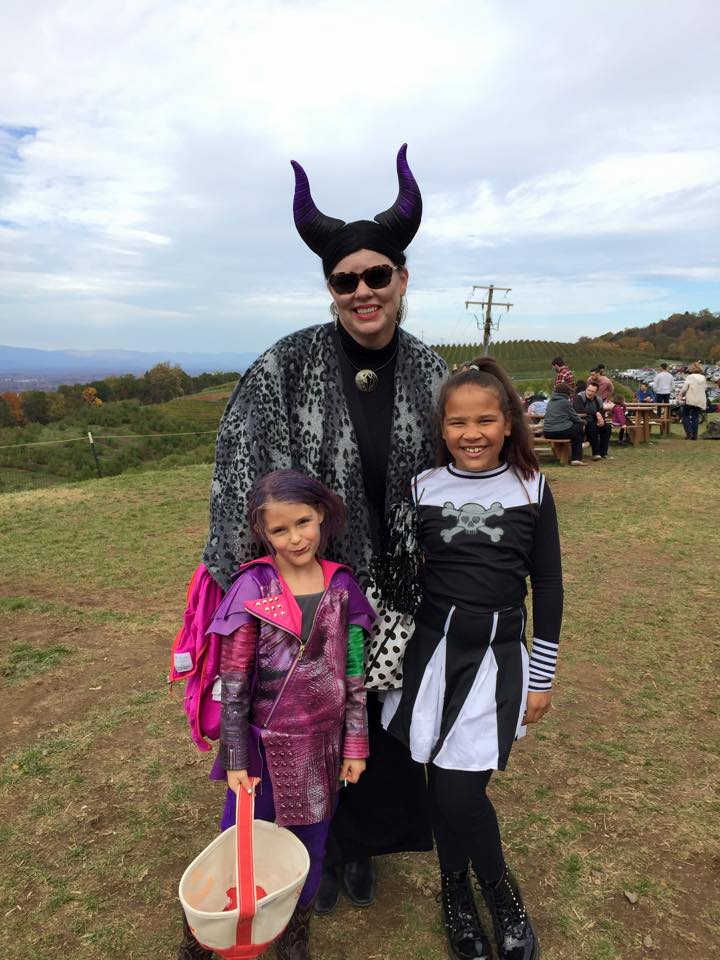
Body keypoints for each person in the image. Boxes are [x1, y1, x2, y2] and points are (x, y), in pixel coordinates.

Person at [177, 145, 446, 959]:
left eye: (378, 275)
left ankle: (360, 850)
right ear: (329, 287)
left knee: (374, 722)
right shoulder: (285, 365)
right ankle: (310, 855)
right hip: (307, 589)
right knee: (300, 724)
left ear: (401, 278)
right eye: (345, 280)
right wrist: (246, 574)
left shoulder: (432, 372)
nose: (363, 291)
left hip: (394, 589)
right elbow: (238, 457)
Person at [381, 359, 563, 960]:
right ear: (442, 428)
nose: (472, 432)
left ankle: (497, 890)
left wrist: (542, 676)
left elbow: (550, 585)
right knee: (439, 778)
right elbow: (399, 576)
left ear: (510, 422)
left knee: (461, 791)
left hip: (496, 656)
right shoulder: (424, 487)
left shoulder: (531, 487)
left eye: (486, 419)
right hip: (431, 657)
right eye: (457, 422)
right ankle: (454, 890)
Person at [209, 470, 376, 959]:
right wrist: (238, 758)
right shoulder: (252, 586)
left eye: (303, 522)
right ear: (263, 533)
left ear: (320, 515)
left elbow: (355, 675)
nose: (295, 537)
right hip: (259, 751)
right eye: (279, 530)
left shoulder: (343, 586)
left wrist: (356, 746)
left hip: (321, 751)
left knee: (310, 848)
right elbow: (234, 684)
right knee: (239, 846)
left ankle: (294, 936)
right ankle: (206, 938)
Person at [543, 382, 587, 465]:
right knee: (579, 427)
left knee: (575, 430)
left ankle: (574, 453)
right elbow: (575, 417)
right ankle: (576, 458)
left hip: (547, 432)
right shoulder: (565, 402)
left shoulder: (550, 402)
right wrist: (584, 422)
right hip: (560, 431)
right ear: (566, 393)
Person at [574, 381, 612, 460]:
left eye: (592, 391)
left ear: (596, 392)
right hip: (582, 422)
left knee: (607, 427)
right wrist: (596, 413)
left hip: (594, 420)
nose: (590, 393)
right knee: (592, 426)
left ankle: (603, 453)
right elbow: (580, 410)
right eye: (588, 390)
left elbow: (601, 412)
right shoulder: (579, 397)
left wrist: (601, 421)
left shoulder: (598, 400)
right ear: (586, 389)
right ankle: (596, 453)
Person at [678, 361, 708, 440]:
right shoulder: (703, 378)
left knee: (685, 415)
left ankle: (689, 432)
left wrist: (680, 395)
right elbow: (705, 388)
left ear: (692, 369)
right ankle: (694, 435)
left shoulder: (690, 376)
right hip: (699, 400)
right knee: (695, 417)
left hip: (690, 399)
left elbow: (684, 388)